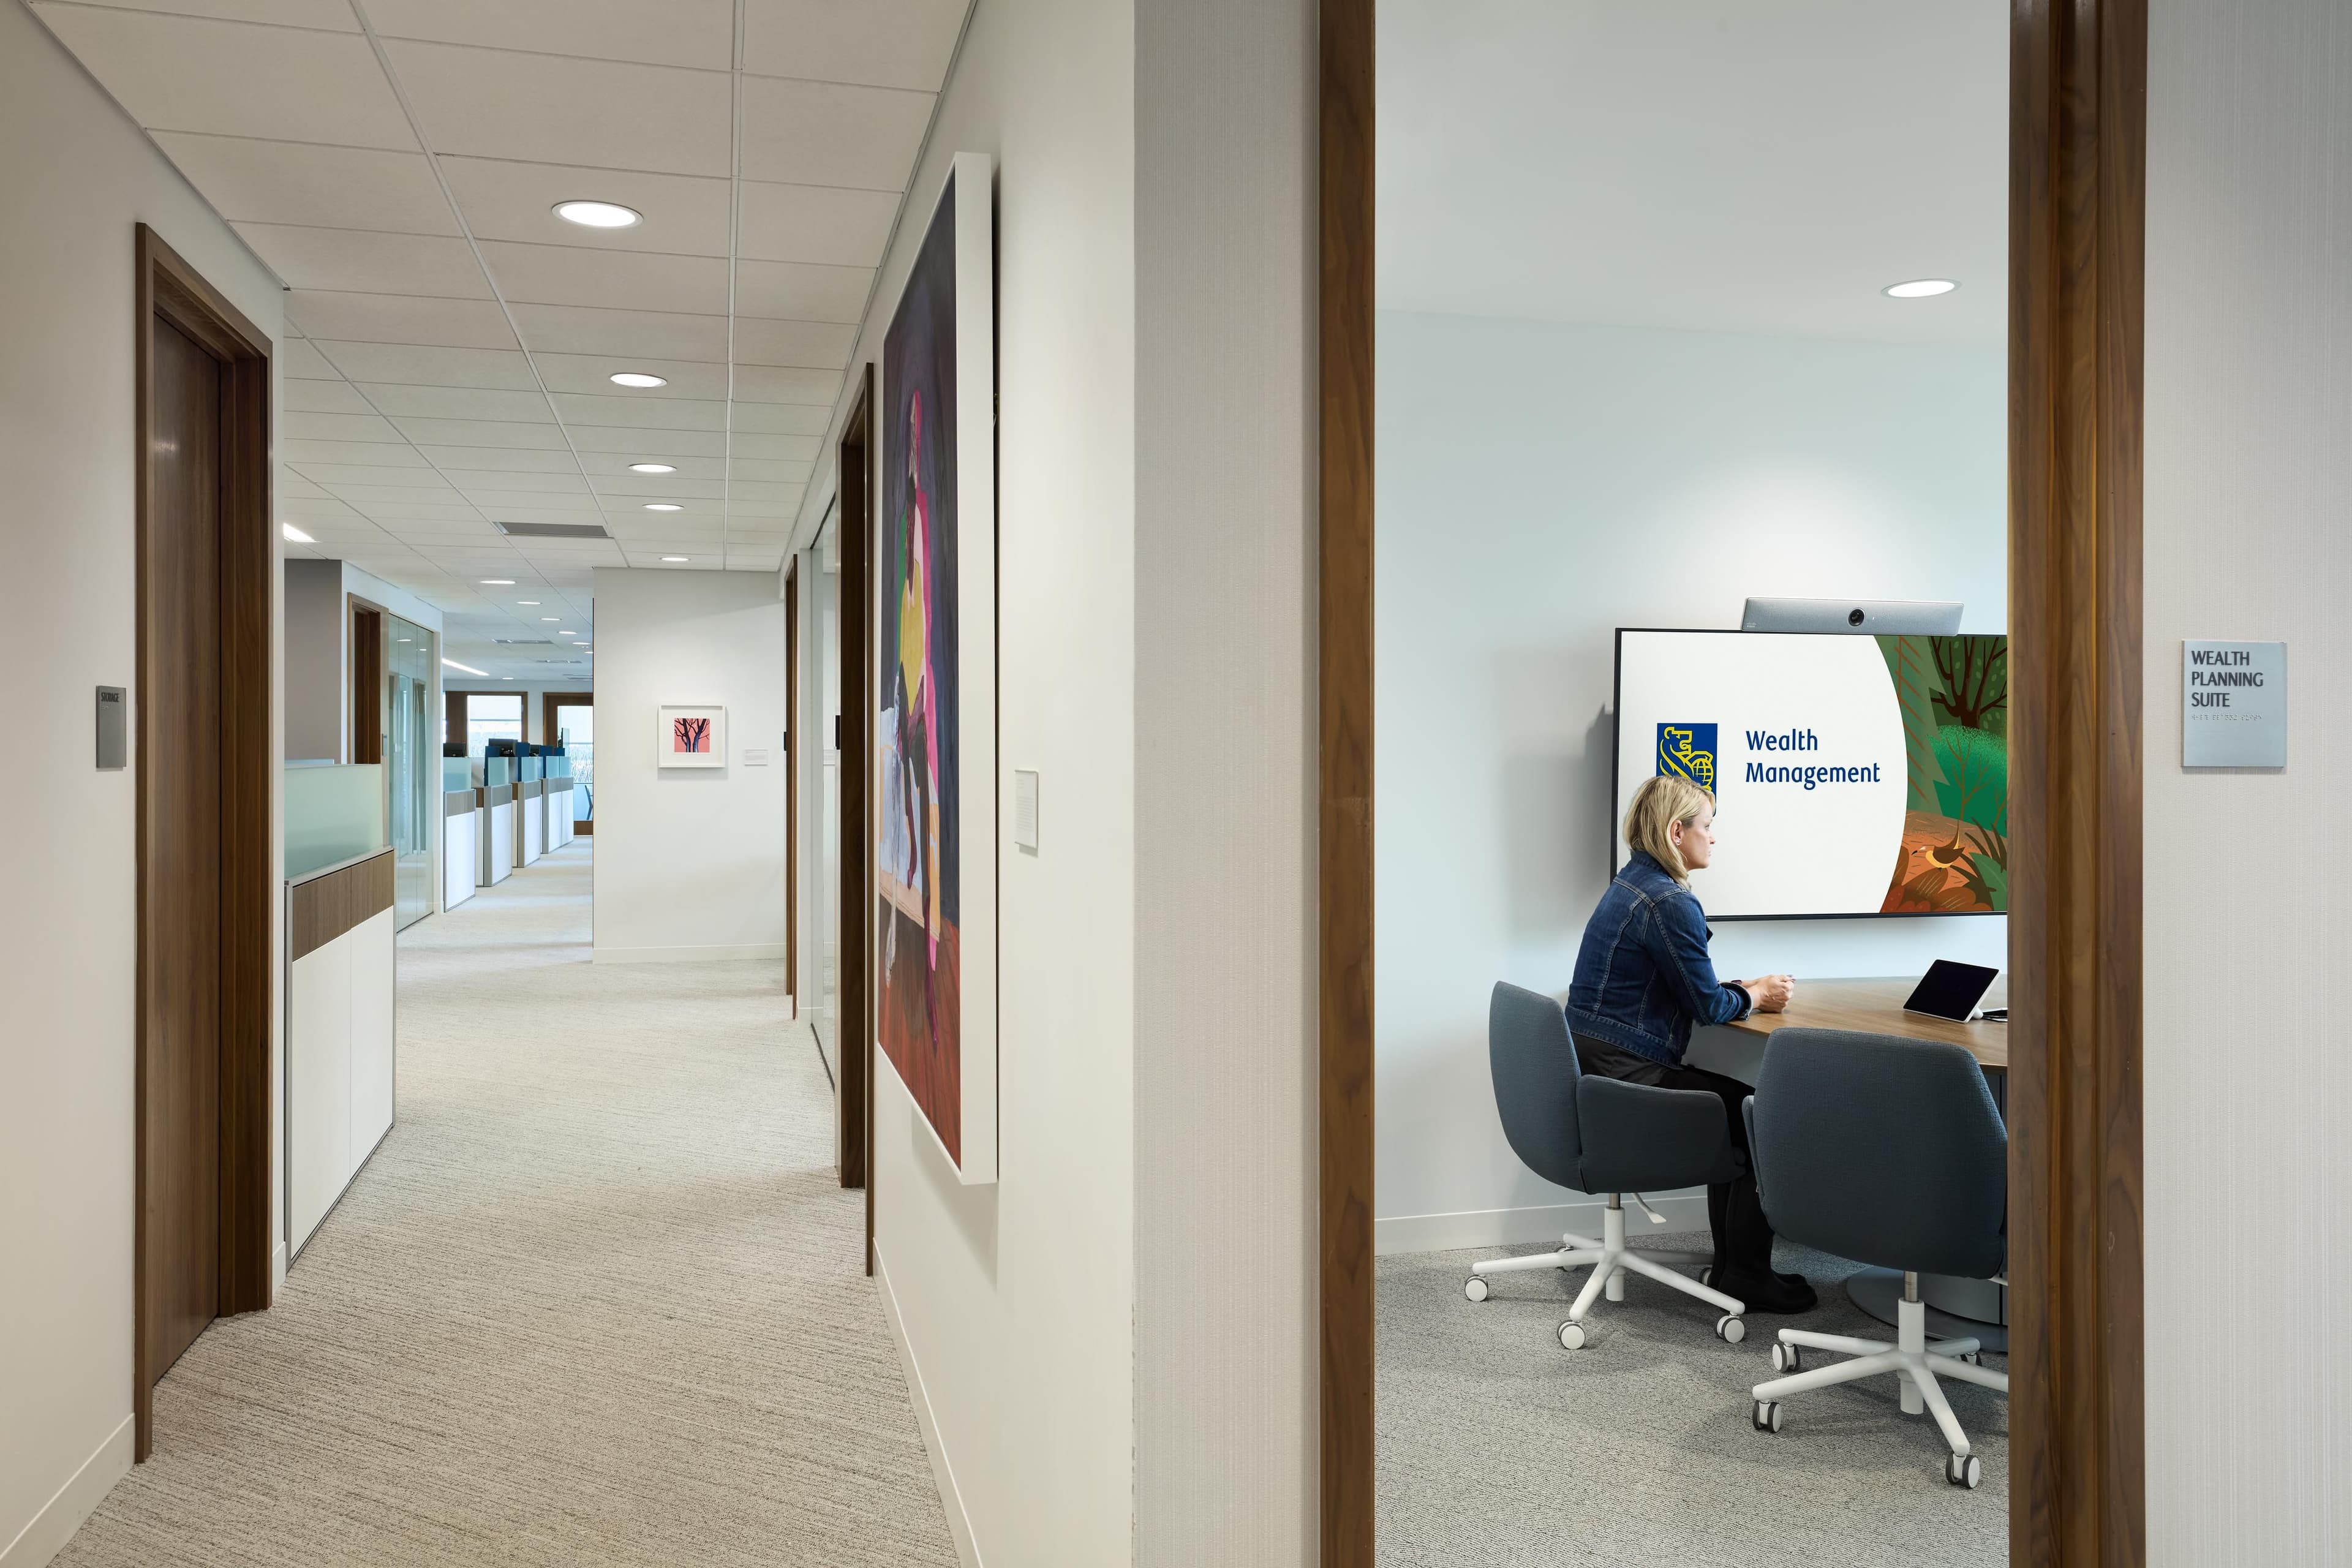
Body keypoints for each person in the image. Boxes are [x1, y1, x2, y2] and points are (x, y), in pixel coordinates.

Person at [1564, 774, 1815, 1313]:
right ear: (1678, 832)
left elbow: (1683, 986)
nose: (1714, 838)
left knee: (1737, 1112)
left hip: (1599, 1062)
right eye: (1708, 826)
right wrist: (1756, 997)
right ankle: (1744, 1273)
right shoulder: (1670, 902)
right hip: (1628, 1072)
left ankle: (1734, 1268)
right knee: (1756, 1116)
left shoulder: (1630, 884)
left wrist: (1743, 991)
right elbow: (1705, 1006)